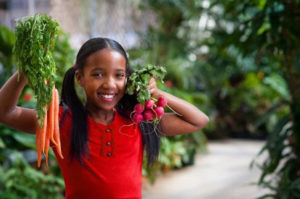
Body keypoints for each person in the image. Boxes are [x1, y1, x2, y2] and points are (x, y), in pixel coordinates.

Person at [0, 37, 209, 199]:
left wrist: (157, 94)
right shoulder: (61, 121)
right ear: (79, 77)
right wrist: (24, 71)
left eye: (119, 75)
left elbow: (198, 120)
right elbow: (5, 113)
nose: (110, 84)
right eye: (98, 74)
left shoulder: (137, 120)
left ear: (127, 79)